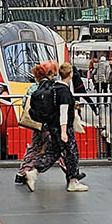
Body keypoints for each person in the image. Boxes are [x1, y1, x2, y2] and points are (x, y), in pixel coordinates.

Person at [16, 62, 86, 192]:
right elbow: (63, 112)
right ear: (70, 75)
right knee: (72, 153)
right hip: (62, 127)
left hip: (52, 126)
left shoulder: (54, 88)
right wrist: (64, 132)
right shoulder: (64, 91)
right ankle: (72, 182)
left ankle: (33, 173)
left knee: (53, 153)